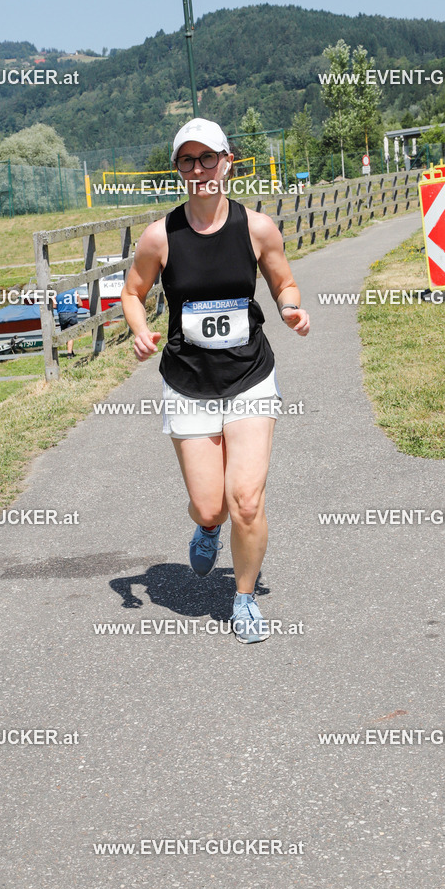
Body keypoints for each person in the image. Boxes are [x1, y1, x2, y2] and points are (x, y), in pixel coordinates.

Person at [121, 117, 310, 644]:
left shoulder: (257, 228)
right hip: (188, 382)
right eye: (188, 160)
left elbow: (283, 281)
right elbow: (133, 292)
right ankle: (206, 528)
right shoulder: (161, 236)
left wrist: (291, 309)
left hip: (250, 374)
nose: (199, 169)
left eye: (209, 158)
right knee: (213, 504)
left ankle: (243, 598)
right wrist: (139, 330)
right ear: (178, 169)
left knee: (245, 499)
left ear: (228, 162)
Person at [55, 289, 82, 357]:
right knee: (71, 334)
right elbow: (80, 304)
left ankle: (70, 351)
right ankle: (69, 354)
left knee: (66, 334)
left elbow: (54, 306)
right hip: (72, 314)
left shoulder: (57, 293)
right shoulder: (74, 291)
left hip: (62, 315)